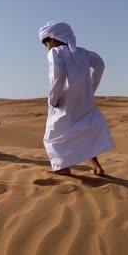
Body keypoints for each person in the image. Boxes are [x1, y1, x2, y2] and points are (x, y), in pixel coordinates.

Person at [38, 21, 115, 176]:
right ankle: (97, 166)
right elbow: (100, 65)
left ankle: (62, 168)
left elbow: (58, 75)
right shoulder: (83, 53)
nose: (46, 46)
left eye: (46, 42)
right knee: (85, 131)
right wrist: (90, 88)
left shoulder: (55, 53)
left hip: (64, 101)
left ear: (53, 38)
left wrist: (53, 98)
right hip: (84, 101)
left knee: (52, 136)